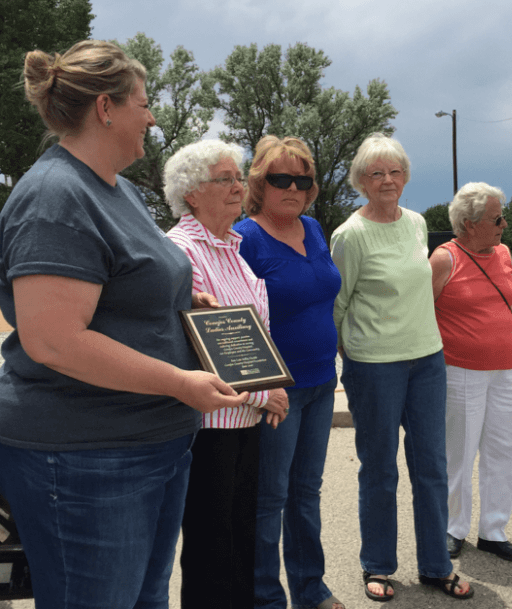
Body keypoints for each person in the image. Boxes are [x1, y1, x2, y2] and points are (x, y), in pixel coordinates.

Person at [0, 40, 247, 608]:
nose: (154, 116)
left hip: (151, 443)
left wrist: (188, 300)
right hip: (86, 458)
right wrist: (182, 383)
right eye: (144, 102)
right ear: (106, 108)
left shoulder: (121, 191)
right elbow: (54, 340)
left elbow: (126, 286)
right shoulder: (55, 195)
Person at [331, 133, 473, 601]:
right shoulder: (349, 235)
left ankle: (436, 563)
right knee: (379, 468)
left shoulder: (415, 223)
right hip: (374, 366)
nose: (387, 180)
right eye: (376, 173)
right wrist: (351, 358)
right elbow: (339, 304)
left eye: (394, 172)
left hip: (427, 359)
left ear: (406, 177)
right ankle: (378, 564)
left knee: (432, 464)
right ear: (360, 181)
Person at [164, 139, 290, 609]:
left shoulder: (233, 250)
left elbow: (254, 333)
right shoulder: (180, 253)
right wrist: (266, 396)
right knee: (210, 552)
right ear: (191, 193)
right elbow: (203, 344)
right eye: (225, 179)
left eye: (239, 177)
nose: (239, 186)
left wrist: (272, 387)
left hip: (246, 422)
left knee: (242, 543)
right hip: (209, 427)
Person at [233, 136, 344, 609]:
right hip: (279, 391)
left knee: (306, 493)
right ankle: (264, 598)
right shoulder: (245, 237)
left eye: (303, 179)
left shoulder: (314, 229)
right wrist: (263, 385)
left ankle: (310, 589)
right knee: (269, 500)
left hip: (321, 382)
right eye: (281, 178)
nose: (293, 188)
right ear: (259, 182)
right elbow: (235, 324)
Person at [429, 182, 512, 562]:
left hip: (507, 370)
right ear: (469, 224)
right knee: (459, 452)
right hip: (460, 370)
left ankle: (493, 530)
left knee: (507, 449)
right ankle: (454, 529)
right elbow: (422, 310)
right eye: (497, 217)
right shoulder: (444, 259)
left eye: (503, 216)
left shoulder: (502, 253)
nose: (504, 223)